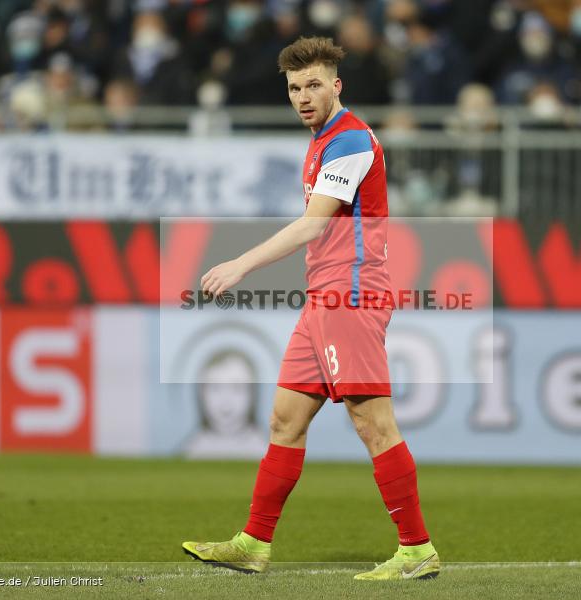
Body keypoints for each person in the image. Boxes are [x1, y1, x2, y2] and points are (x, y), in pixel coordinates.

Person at [181, 36, 440, 581]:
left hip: (350, 293)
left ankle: (416, 549)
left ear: (336, 86)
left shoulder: (349, 141)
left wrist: (240, 265)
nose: (303, 96)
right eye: (295, 87)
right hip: (324, 296)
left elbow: (314, 223)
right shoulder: (323, 139)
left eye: (313, 85)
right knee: (284, 419)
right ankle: (253, 543)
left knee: (373, 424)